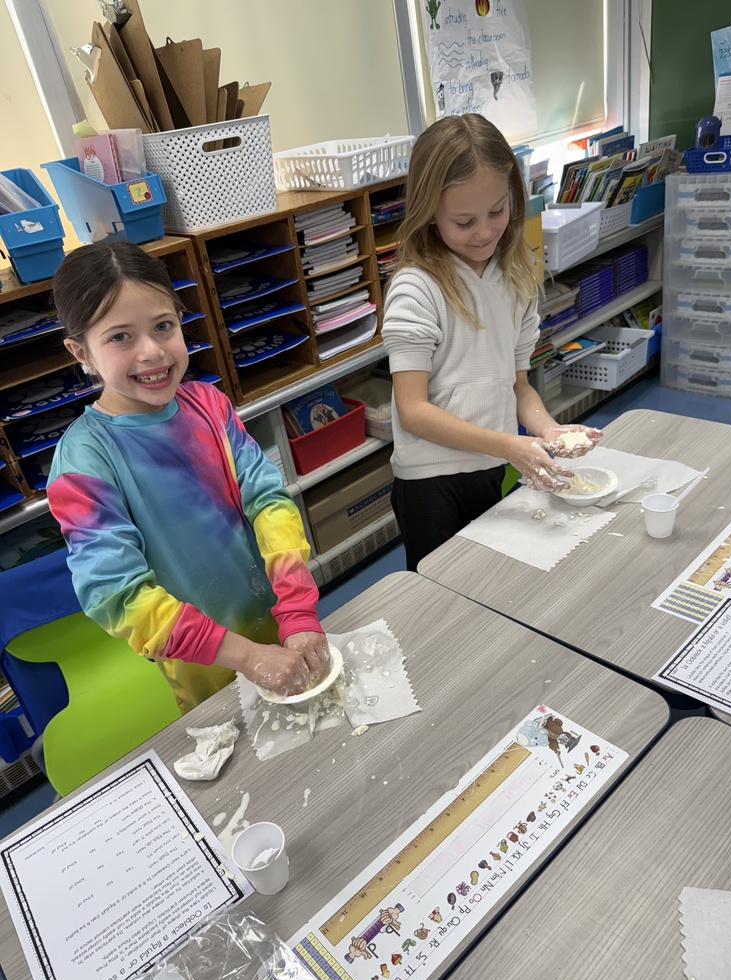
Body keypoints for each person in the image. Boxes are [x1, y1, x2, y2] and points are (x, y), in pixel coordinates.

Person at [47, 241, 328, 713]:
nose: (153, 352)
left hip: (281, 622)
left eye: (163, 326)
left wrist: (297, 611)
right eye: (121, 337)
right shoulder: (84, 461)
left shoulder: (210, 405)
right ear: (81, 352)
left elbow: (269, 501)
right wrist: (246, 657)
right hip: (206, 665)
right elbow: (118, 596)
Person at [382, 113, 603, 571]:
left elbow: (517, 386)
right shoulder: (416, 289)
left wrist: (547, 430)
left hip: (491, 468)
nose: (484, 232)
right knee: (442, 592)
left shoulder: (517, 279)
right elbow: (413, 410)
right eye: (463, 221)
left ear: (513, 200)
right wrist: (507, 445)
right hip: (430, 483)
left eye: (497, 212)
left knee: (492, 579)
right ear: (429, 213)